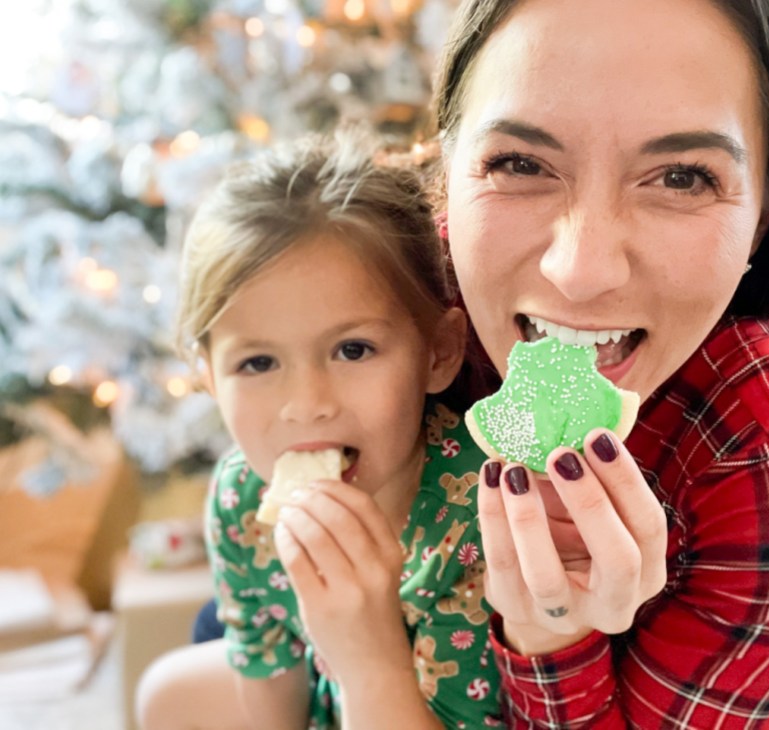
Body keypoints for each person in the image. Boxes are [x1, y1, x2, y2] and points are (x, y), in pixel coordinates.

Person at [432, 0, 769, 727]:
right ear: (446, 175)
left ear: (763, 218)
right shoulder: (391, 313)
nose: (579, 271)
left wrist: (553, 634)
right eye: (519, 163)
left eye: (681, 177)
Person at [135, 132, 504, 730]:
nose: (306, 406)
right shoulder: (241, 499)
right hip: (325, 700)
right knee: (163, 693)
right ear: (206, 375)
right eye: (258, 363)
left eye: (352, 349)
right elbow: (268, 685)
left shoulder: (481, 519)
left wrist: (366, 650)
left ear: (438, 352)